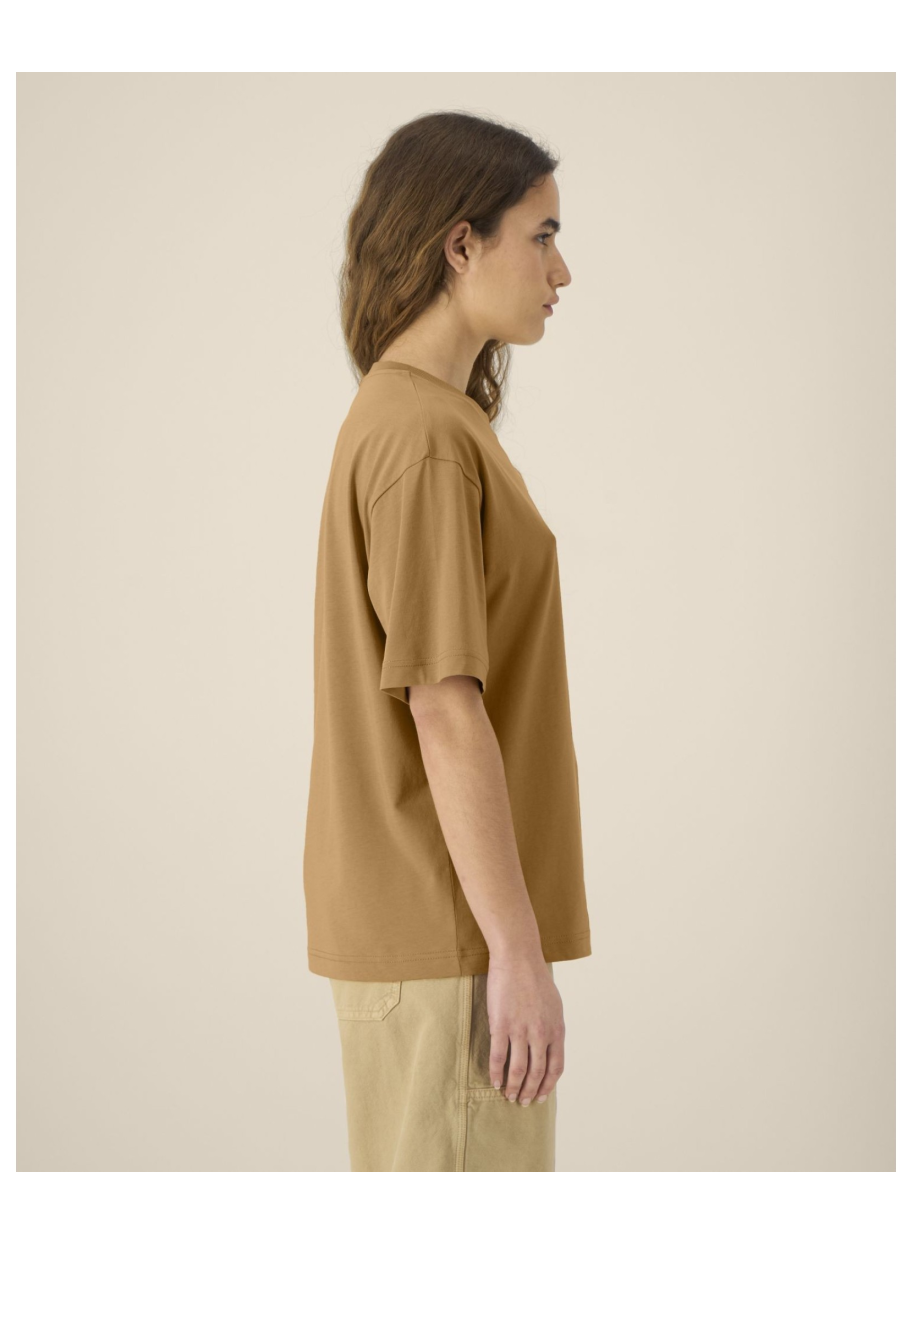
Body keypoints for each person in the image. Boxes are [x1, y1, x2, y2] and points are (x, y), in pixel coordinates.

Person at [302, 110, 592, 1171]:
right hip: (452, 940)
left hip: (437, 935)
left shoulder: (419, 419)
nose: (560, 271)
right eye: (542, 236)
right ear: (459, 244)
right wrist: (514, 950)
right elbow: (442, 704)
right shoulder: (422, 435)